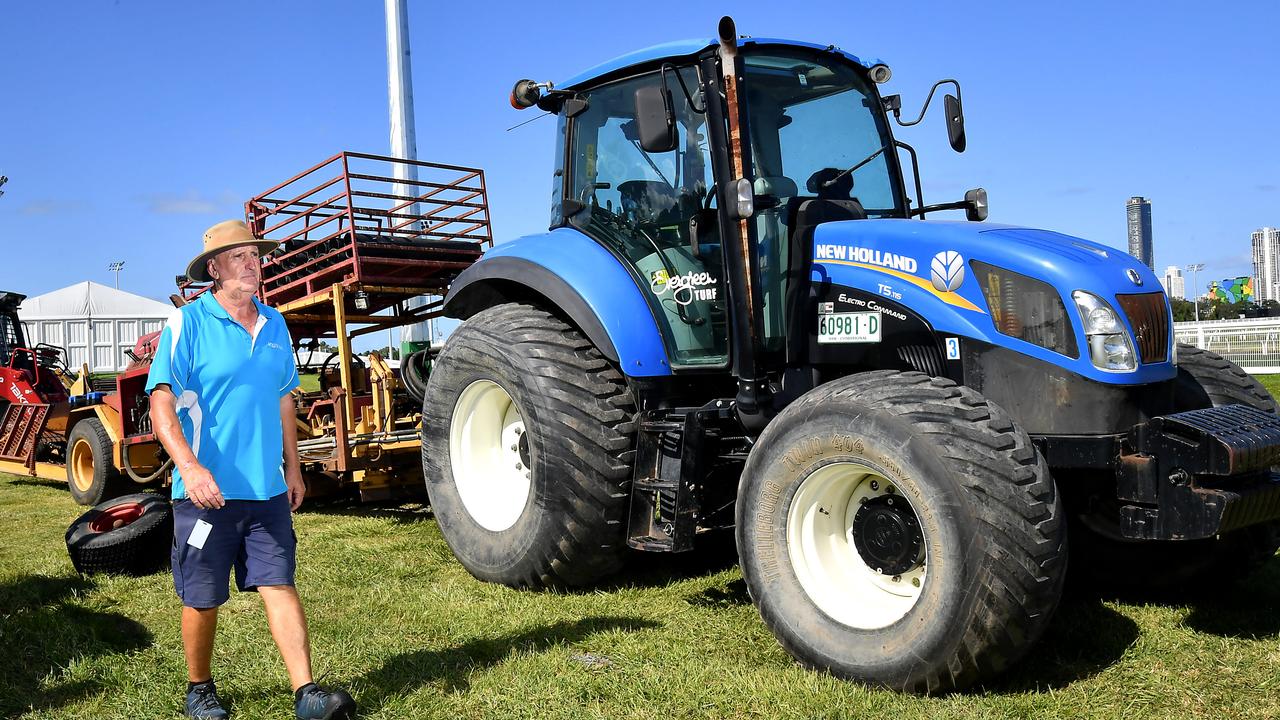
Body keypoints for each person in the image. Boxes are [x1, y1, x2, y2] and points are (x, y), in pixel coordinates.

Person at [148, 219, 357, 720]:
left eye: (254, 255)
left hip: (265, 489)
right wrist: (191, 469)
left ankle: (306, 693)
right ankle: (199, 689)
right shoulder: (187, 324)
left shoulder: (274, 324)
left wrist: (294, 467)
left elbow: (285, 400)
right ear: (214, 269)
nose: (251, 263)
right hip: (205, 492)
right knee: (203, 596)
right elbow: (161, 403)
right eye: (238, 256)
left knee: (279, 582)